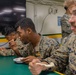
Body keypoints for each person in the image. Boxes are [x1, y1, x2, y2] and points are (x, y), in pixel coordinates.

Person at [29, 0, 76, 75]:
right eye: (71, 14)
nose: (70, 20)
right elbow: (59, 59)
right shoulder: (71, 38)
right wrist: (43, 65)